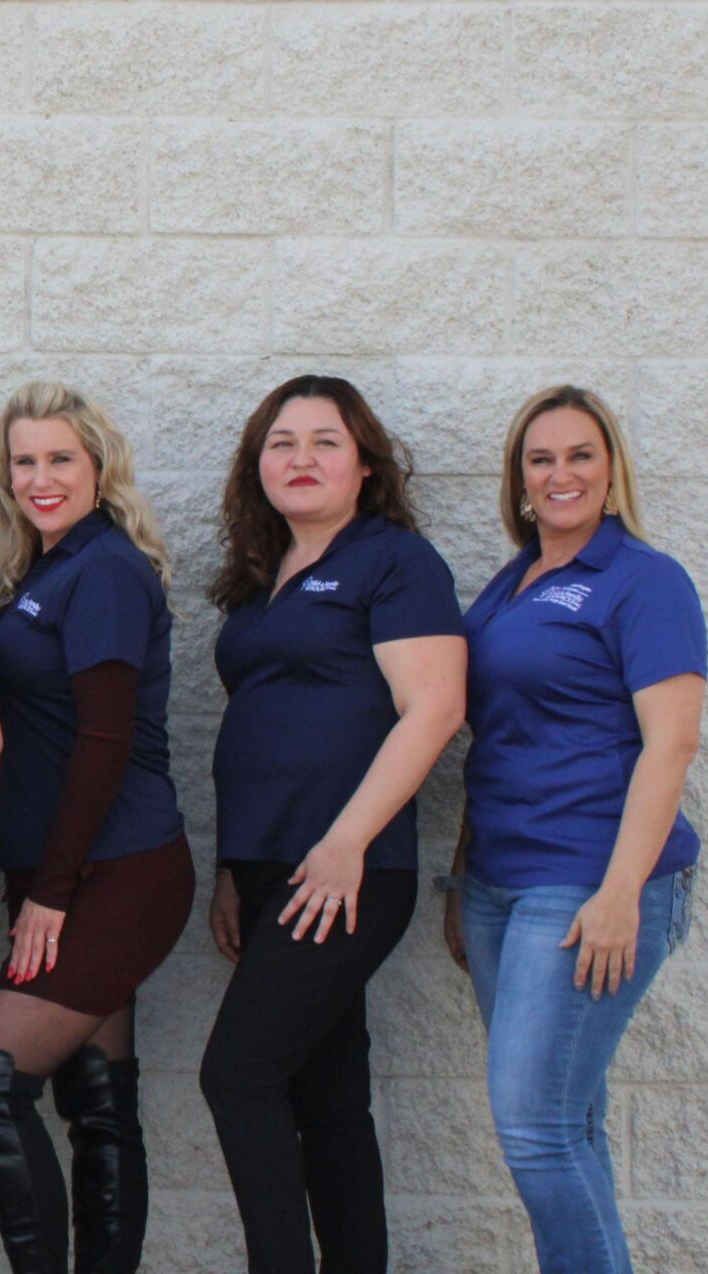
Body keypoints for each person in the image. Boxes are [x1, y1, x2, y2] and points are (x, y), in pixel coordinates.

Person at [197, 377, 467, 1274]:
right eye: (282, 443)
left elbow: (431, 709)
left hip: (351, 865)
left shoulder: (396, 562)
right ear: (257, 465)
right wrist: (233, 869)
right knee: (327, 1094)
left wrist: (346, 842)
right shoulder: (258, 578)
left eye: (324, 441)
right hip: (272, 865)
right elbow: (262, 725)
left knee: (237, 1076)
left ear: (365, 464)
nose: (301, 458)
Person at [447, 386, 704, 1274]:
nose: (561, 474)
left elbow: (670, 747)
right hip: (495, 884)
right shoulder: (511, 581)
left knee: (536, 1127)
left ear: (611, 468)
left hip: (590, 881)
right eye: (541, 458)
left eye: (580, 455)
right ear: (519, 479)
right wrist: (461, 872)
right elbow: (494, 732)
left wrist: (621, 893)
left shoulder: (645, 580)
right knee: (568, 1117)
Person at [0, 381, 192, 1274]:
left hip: (118, 871)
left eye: (61, 458)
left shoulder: (105, 569)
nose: (41, 476)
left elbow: (104, 738)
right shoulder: (48, 570)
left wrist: (50, 894)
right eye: (25, 460)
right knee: (96, 1100)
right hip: (69, 872)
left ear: (99, 467)